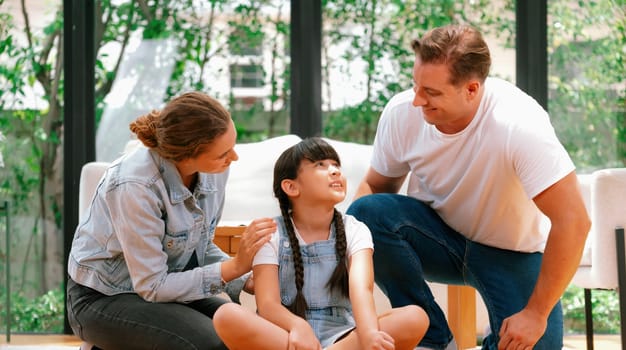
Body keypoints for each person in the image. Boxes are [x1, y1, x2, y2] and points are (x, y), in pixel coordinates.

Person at [346, 24, 591, 350]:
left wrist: (535, 314)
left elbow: (574, 221)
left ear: (472, 89)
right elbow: (375, 188)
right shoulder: (403, 112)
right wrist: (350, 250)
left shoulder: (518, 125)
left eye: (431, 92)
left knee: (538, 344)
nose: (417, 100)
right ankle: (432, 338)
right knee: (364, 213)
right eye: (415, 85)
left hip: (509, 252)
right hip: (435, 238)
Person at [66, 91, 276, 350]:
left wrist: (244, 279)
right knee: (211, 346)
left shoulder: (213, 171)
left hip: (170, 286)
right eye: (223, 153)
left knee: (247, 332)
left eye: (233, 146)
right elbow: (153, 285)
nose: (233, 158)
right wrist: (235, 267)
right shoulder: (135, 185)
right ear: (187, 156)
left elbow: (201, 245)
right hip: (104, 297)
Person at [213, 137, 429, 350]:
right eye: (320, 165)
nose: (335, 171)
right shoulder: (271, 234)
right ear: (291, 186)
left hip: (343, 338)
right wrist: (298, 325)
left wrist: (370, 333)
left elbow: (361, 289)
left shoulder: (356, 230)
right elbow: (268, 305)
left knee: (415, 317)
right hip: (286, 336)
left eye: (336, 165)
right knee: (226, 316)